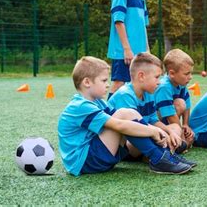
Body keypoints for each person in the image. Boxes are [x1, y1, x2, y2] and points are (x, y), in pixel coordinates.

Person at [57, 56, 192, 176]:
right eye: (103, 81)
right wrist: (153, 131)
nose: (108, 84)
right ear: (87, 82)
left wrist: (159, 130)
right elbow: (119, 124)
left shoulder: (97, 102)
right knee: (124, 113)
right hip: (85, 162)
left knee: (128, 113)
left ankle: (164, 156)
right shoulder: (80, 106)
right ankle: (159, 158)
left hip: (96, 155)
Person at [108, 53, 196, 167]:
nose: (159, 81)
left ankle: (162, 153)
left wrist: (170, 132)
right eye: (156, 77)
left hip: (144, 134)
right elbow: (133, 128)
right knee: (152, 133)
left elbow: (154, 120)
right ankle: (162, 155)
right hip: (127, 144)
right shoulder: (125, 95)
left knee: (174, 127)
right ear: (141, 76)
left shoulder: (148, 93)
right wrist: (162, 133)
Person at [107, 0, 150, 99]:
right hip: (123, 52)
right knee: (119, 83)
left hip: (139, 51)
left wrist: (147, 49)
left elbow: (144, 25)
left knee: (138, 84)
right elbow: (118, 21)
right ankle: (107, 116)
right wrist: (126, 49)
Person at [154, 49, 195, 152]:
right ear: (172, 73)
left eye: (191, 73)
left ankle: (175, 137)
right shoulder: (164, 87)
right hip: (156, 122)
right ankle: (175, 139)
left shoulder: (181, 84)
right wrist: (182, 137)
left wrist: (186, 124)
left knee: (181, 102)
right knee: (179, 103)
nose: (190, 77)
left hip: (168, 120)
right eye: (186, 74)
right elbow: (170, 115)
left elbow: (187, 104)